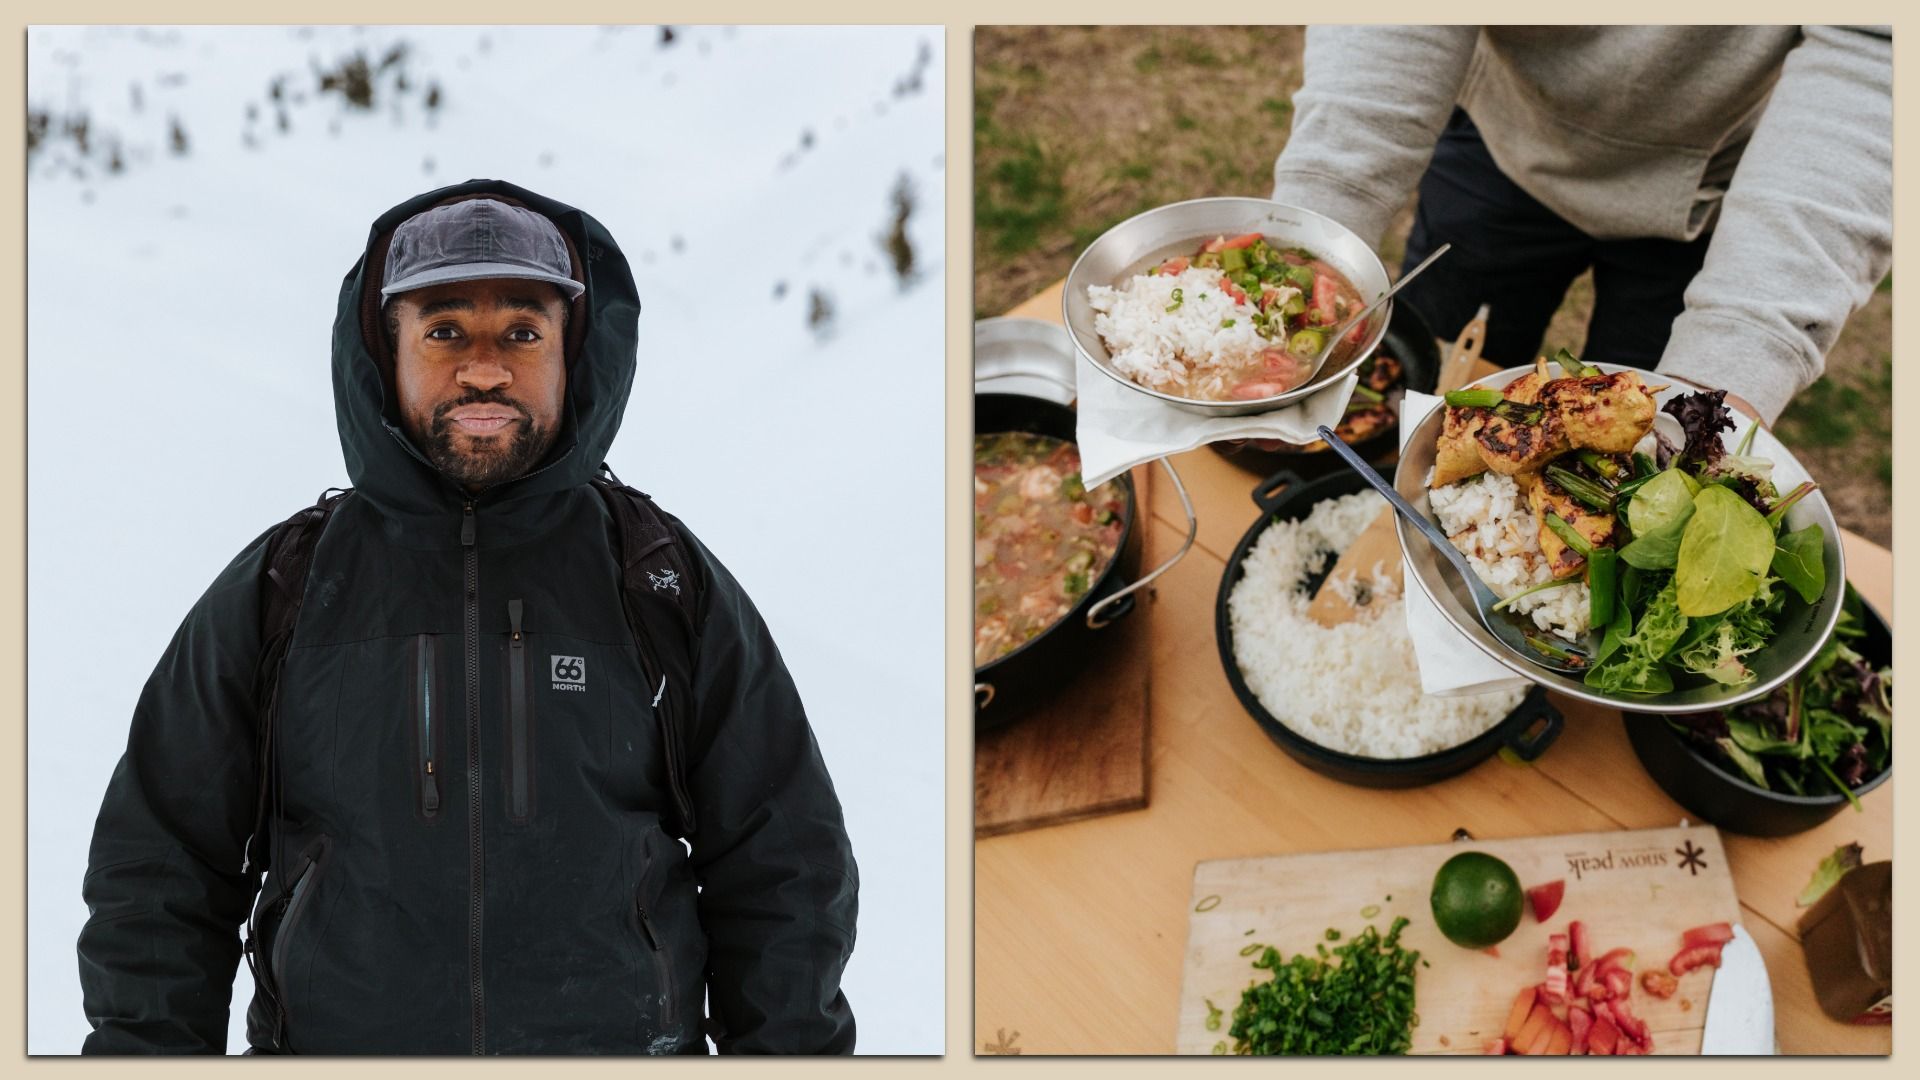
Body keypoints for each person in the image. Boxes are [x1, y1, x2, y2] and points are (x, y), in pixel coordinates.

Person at [76, 181, 859, 1055]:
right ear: (384, 349)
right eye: (444, 330)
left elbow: (785, 865)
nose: (484, 367)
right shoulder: (286, 585)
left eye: (523, 332)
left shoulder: (657, 577)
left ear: (575, 354)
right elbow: (161, 866)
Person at [1270, 25, 1892, 424]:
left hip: (1718, 195)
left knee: (1641, 445)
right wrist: (1312, 246)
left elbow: (1878, 47)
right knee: (1424, 390)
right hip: (1500, 136)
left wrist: (1735, 357)